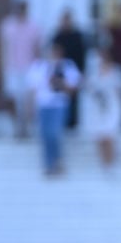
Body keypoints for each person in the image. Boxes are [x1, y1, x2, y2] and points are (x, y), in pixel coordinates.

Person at [27, 34, 82, 177]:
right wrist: (30, 108)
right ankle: (49, 165)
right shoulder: (39, 66)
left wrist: (61, 83)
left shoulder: (67, 65)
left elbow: (74, 87)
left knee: (55, 133)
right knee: (45, 135)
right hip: (43, 105)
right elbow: (33, 89)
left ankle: (57, 162)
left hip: (59, 104)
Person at [0, 0, 42, 140]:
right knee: (12, 98)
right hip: (11, 67)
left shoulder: (33, 27)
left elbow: (37, 49)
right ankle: (15, 126)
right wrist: (1, 67)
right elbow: (3, 47)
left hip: (29, 68)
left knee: (27, 100)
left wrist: (38, 69)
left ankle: (25, 128)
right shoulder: (8, 26)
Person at [82, 54, 121, 171]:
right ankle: (104, 163)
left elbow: (120, 91)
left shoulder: (115, 75)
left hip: (111, 109)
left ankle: (110, 163)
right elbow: (88, 88)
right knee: (99, 136)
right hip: (97, 110)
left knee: (109, 135)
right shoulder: (94, 76)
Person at [51, 10, 91, 130]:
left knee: (74, 98)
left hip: (74, 72)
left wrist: (82, 72)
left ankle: (73, 124)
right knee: (59, 98)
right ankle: (60, 123)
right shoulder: (57, 36)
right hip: (60, 72)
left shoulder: (77, 36)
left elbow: (82, 55)